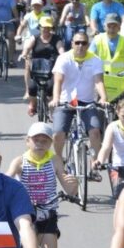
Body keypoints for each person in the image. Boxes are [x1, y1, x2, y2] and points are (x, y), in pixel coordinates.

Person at [49, 30, 108, 160]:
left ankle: (95, 164)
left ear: (88, 45)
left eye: (84, 43)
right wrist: (56, 99)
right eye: (77, 43)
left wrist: (103, 98)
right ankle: (59, 160)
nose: (80, 46)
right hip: (66, 102)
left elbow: (98, 81)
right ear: (72, 44)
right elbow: (58, 80)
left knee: (95, 132)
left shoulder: (95, 60)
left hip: (87, 102)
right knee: (58, 133)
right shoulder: (63, 58)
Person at [21, 16, 63, 117]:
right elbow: (27, 48)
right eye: (44, 27)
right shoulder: (34, 38)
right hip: (37, 69)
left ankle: (52, 106)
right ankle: (32, 103)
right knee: (32, 87)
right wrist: (24, 53)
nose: (46, 29)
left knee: (51, 86)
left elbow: (61, 50)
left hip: (52, 69)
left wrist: (63, 56)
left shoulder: (56, 39)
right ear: (40, 27)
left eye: (48, 27)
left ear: (51, 28)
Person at [89, 11, 124, 104]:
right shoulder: (97, 39)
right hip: (102, 78)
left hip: (121, 80)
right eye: (109, 26)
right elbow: (89, 57)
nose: (111, 29)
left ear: (119, 27)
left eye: (114, 26)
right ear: (104, 27)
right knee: (95, 104)